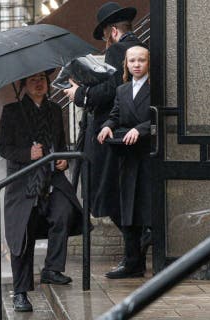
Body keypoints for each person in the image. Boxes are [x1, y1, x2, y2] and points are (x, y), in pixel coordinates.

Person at [63, 1, 148, 268]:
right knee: (119, 194)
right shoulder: (142, 49)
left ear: (112, 32)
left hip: (108, 136)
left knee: (103, 194)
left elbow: (110, 91)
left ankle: (138, 244)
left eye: (104, 36)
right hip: (129, 133)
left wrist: (80, 94)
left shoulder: (117, 52)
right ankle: (137, 246)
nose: (105, 43)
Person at [0, 71, 85, 312]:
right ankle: (21, 292)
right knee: (22, 234)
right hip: (23, 183)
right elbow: (3, 149)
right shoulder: (12, 112)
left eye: (42, 79)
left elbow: (60, 143)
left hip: (52, 180)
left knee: (64, 212)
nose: (39, 83)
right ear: (24, 85)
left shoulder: (55, 110)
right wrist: (28, 154)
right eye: (33, 80)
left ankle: (52, 268)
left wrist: (63, 161)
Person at [97, 45, 152, 279]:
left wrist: (140, 130)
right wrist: (107, 126)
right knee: (128, 210)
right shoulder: (122, 90)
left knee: (149, 209)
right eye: (132, 61)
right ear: (126, 65)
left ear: (149, 63)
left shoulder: (156, 88)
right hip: (127, 158)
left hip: (150, 157)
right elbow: (115, 115)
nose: (136, 64)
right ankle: (132, 263)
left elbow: (161, 115)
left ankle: (154, 257)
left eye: (141, 60)